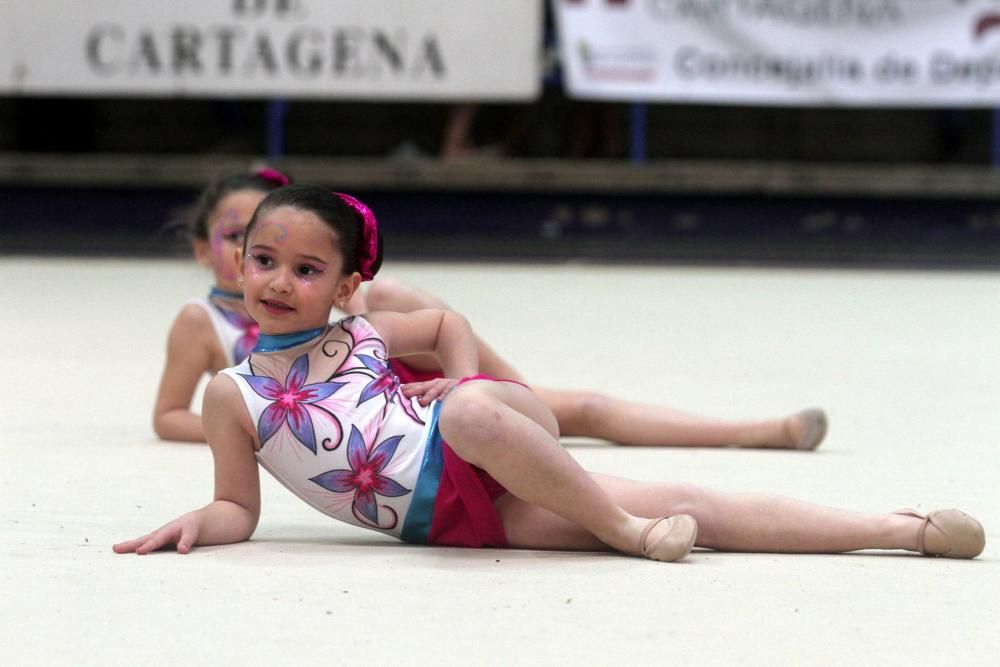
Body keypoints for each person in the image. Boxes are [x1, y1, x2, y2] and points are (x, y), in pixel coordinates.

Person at [116, 185, 985, 561]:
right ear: (237, 268)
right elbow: (239, 505)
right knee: (703, 510)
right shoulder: (235, 393)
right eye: (262, 259)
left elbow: (452, 323)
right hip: (455, 517)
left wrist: (457, 377)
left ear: (345, 284)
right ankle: (906, 527)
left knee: (472, 414)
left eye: (304, 270)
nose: (274, 280)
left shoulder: (367, 328)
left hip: (485, 435)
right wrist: (195, 520)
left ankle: (630, 533)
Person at [154, 169, 828, 450]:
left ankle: (752, 430)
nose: (256, 256)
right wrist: (249, 428)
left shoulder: (322, 293)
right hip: (364, 426)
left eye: (273, 243)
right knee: (574, 413)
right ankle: (513, 392)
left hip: (397, 388)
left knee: (586, 406)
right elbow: (168, 415)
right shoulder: (201, 324)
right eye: (238, 240)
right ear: (204, 247)